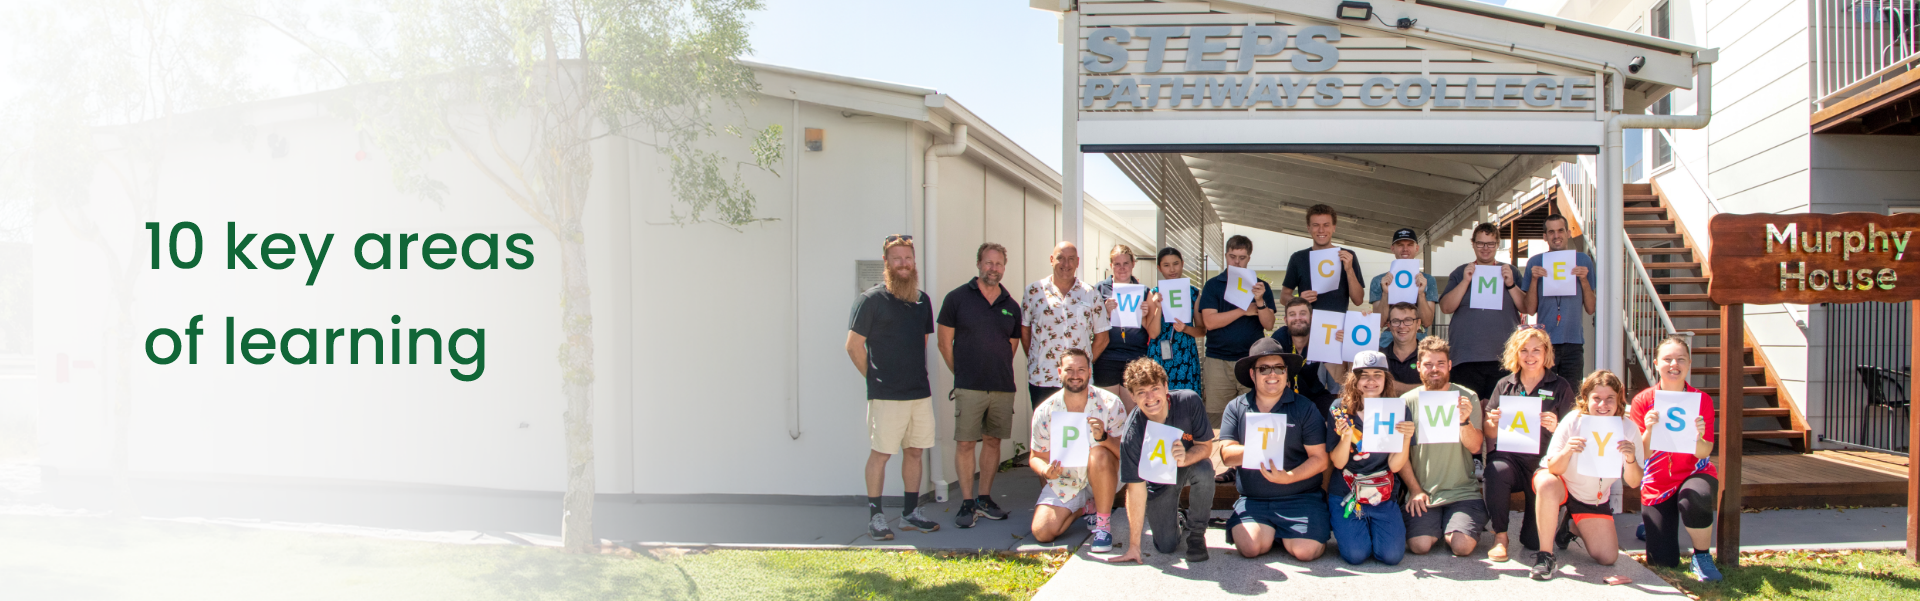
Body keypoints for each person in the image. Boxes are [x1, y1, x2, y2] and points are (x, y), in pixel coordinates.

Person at [844, 234, 941, 540]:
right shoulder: (870, 301)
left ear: (914, 262)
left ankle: (910, 514)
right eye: (897, 258)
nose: (903, 264)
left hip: (918, 393)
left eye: (908, 258)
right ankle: (876, 518)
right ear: (885, 262)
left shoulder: (922, 301)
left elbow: (922, 343)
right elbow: (853, 346)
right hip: (886, 395)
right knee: (881, 454)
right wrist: (873, 379)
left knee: (914, 452)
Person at [1217, 338, 1330, 561]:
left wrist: (1288, 478)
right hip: (1254, 499)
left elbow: (1320, 459)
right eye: (1264, 369)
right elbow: (1227, 455)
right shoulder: (1236, 407)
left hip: (1301, 497)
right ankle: (1271, 533)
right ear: (1252, 375)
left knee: (1306, 552)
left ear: (1286, 372)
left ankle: (1285, 534)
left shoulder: (1305, 407)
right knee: (1250, 548)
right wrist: (1260, 442)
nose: (1272, 374)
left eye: (1279, 368)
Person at [936, 242, 1021, 529]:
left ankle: (984, 497)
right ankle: (967, 502)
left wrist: (993, 369)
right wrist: (962, 372)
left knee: (993, 442)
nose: (993, 268)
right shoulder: (957, 299)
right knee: (965, 443)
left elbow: (1012, 346)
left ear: (1004, 267)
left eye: (998, 264)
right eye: (988, 262)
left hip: (1001, 387)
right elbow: (944, 343)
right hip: (969, 386)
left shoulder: (1011, 305)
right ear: (978, 264)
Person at [1529, 370, 1642, 580]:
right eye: (1596, 398)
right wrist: (1567, 451)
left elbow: (1634, 482)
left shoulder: (1628, 428)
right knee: (1546, 483)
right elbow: (1552, 467)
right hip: (1563, 483)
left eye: (1610, 399)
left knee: (1608, 557)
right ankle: (1545, 556)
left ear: (1619, 400)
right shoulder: (1573, 420)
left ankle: (1571, 525)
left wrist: (1630, 458)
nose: (1603, 405)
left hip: (1592, 498)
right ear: (1586, 399)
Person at [1628, 336, 1723, 582]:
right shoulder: (1643, 400)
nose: (1674, 364)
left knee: (1694, 497)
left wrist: (1699, 436)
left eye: (1681, 359)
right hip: (1658, 482)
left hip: (1694, 473)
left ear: (1689, 364)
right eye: (1668, 359)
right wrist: (1648, 430)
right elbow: (1643, 454)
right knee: (1663, 562)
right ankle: (1651, 526)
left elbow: (1704, 452)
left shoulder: (1702, 400)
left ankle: (1701, 557)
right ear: (1657, 363)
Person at [1481, 327, 1578, 563]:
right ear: (1515, 353)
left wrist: (1557, 427)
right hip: (1510, 459)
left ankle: (1564, 521)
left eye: (1536, 349)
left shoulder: (1560, 386)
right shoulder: (1505, 384)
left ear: (1546, 353)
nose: (1530, 355)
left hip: (1543, 464)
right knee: (1496, 470)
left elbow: (1573, 430)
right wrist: (1492, 422)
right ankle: (1500, 537)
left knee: (1534, 541)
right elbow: (1489, 431)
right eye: (1524, 350)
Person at [1108, 358, 1215, 564]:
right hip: (1157, 483)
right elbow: (1135, 489)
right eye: (1141, 392)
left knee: (1204, 468)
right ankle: (1178, 518)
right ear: (1132, 396)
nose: (1150, 397)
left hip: (1186, 466)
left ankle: (1196, 534)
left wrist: (1186, 458)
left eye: (1155, 388)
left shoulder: (1189, 401)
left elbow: (1206, 447)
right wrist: (1134, 546)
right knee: (1166, 546)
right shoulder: (1132, 434)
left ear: (1166, 386)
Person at [1028, 349, 1129, 552]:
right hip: (1065, 480)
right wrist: (1045, 470)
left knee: (1098, 453)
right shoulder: (1045, 411)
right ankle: (1085, 509)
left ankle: (1102, 526)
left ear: (1089, 372)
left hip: (1103, 476)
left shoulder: (1110, 403)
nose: (1075, 375)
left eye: (1081, 369)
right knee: (1042, 532)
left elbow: (1127, 454)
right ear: (1059, 372)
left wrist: (1104, 438)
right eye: (1069, 370)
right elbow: (1036, 456)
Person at [1397, 337, 1488, 557]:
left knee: (1461, 547)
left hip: (1462, 493)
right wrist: (1415, 490)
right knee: (1419, 546)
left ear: (1449, 366)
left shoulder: (1467, 397)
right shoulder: (1406, 401)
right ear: (1419, 367)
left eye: (1440, 363)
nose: (1434, 369)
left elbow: (1476, 447)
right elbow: (1400, 456)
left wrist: (1464, 421)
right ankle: (1436, 524)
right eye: (1428, 364)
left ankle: (1455, 524)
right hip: (1424, 493)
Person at [1325, 351, 1415, 566]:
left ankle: (1373, 526)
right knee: (1356, 555)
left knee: (1392, 556)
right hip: (1347, 493)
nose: (1371, 381)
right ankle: (1358, 528)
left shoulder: (1398, 409)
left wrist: (1406, 438)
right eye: (1364, 375)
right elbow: (1338, 462)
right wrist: (1346, 437)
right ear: (1355, 381)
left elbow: (1394, 465)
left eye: (1378, 375)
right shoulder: (1340, 409)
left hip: (1381, 493)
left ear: (1386, 380)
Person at [1439, 222, 1528, 401]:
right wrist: (1465, 281)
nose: (1485, 248)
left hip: (1504, 358)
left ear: (1497, 244)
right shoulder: (1460, 272)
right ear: (1473, 244)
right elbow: (1446, 307)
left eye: (1490, 244)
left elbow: (1526, 307)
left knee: (1499, 416)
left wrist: (1510, 283)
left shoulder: (1510, 271)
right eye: (1480, 243)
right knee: (1467, 415)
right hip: (1466, 358)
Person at [1024, 242, 1111, 409]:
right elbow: (1025, 330)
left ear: (1077, 262)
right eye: (1060, 258)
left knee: (1078, 429)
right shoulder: (1034, 291)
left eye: (1071, 259)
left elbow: (1102, 337)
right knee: (1045, 429)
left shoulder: (1090, 293)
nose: (1066, 264)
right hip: (1043, 377)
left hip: (1079, 380)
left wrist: (1083, 365)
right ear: (1051, 260)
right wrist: (1038, 357)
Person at [1199, 235, 1275, 425]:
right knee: (1217, 419)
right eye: (1233, 256)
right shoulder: (1213, 285)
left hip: (1249, 362)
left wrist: (1259, 302)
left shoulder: (1260, 287)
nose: (1237, 262)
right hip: (1217, 361)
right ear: (1226, 256)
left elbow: (1269, 324)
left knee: (1253, 417)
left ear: (1249, 258)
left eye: (1242, 257)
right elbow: (1209, 322)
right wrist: (1243, 311)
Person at [1520, 214, 1597, 384]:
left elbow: (1591, 308)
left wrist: (1584, 279)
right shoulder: (1535, 262)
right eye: (1551, 232)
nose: (1557, 236)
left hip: (1574, 342)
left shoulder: (1583, 260)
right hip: (1544, 344)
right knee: (1545, 395)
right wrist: (1534, 280)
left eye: (1560, 230)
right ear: (1545, 237)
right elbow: (1530, 309)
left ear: (1568, 233)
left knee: (1571, 396)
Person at [1280, 204, 1366, 312]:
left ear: (1333, 227)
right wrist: (1299, 301)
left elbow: (1358, 300)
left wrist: (1349, 270)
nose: (1321, 230)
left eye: (1326, 225)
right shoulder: (1298, 258)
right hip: (1308, 325)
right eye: (1316, 225)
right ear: (1309, 228)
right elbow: (1283, 297)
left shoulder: (1348, 255)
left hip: (1337, 326)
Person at [1095, 245, 1150, 410]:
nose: (1122, 268)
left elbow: (1152, 329)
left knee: (1131, 412)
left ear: (1133, 264)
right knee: (1108, 412)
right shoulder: (1099, 289)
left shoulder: (1144, 291)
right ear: (1111, 265)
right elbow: (1089, 323)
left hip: (1135, 357)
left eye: (1126, 263)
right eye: (1117, 264)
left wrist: (1146, 314)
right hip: (1106, 358)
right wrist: (1103, 312)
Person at [1145, 247, 1205, 395]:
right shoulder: (1153, 294)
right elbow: (1152, 333)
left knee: (1187, 403)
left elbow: (1202, 330)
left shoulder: (1194, 293)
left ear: (1182, 264)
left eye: (1176, 263)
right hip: (1159, 356)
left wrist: (1186, 329)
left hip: (1186, 355)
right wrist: (1158, 307)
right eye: (1166, 265)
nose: (1172, 269)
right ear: (1159, 268)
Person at [1269, 297, 1337, 417]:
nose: (1298, 318)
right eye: (1292, 314)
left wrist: (1337, 345)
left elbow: (1338, 377)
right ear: (1286, 320)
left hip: (1314, 394)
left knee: (1334, 413)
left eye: (1302, 313)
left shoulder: (1321, 337)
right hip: (1285, 395)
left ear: (1311, 318)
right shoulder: (1279, 338)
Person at [1368, 228, 1439, 328]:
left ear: (1417, 248)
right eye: (1400, 245)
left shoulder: (1428, 280)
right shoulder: (1379, 280)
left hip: (1418, 337)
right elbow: (1380, 323)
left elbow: (1427, 322)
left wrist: (1421, 294)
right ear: (1393, 248)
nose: (1405, 249)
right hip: (1389, 338)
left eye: (1410, 244)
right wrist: (1385, 293)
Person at [1381, 302, 1424, 397]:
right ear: (1389, 325)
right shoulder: (1379, 356)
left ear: (1418, 324)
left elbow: (1436, 391)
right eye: (1396, 321)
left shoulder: (1428, 357)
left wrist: (1391, 386)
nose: (1402, 326)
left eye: (1408, 320)